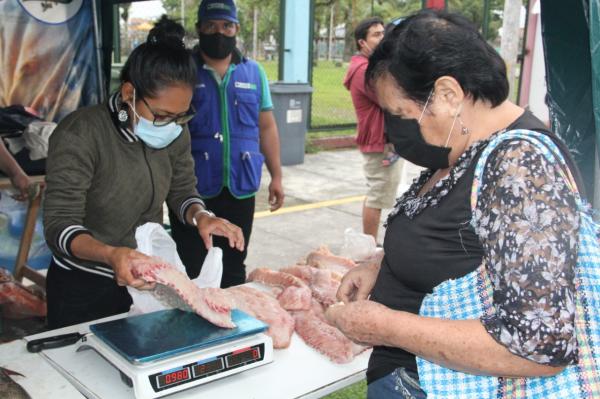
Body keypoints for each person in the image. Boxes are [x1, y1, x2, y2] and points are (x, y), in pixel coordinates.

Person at [325, 10, 589, 398]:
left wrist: (385, 327)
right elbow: (459, 244)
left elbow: (539, 345)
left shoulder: (520, 166)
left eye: (400, 113)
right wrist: (383, 265)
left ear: (447, 95)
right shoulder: (466, 149)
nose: (396, 129)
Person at [43, 17, 244, 329]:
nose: (172, 125)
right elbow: (60, 226)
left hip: (145, 279)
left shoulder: (175, 129)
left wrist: (200, 216)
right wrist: (111, 254)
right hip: (84, 286)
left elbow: (182, 191)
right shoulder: (81, 134)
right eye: (162, 115)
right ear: (128, 94)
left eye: (181, 116)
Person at [168, 0, 284, 288]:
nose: (219, 32)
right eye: (211, 26)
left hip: (240, 185)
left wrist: (277, 176)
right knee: (192, 262)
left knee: (234, 261)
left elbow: (266, 126)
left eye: (226, 26)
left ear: (236, 29)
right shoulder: (184, 70)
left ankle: (234, 323)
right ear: (199, 29)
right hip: (192, 186)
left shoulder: (253, 72)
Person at [343, 17, 402, 243]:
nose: (382, 38)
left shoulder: (372, 67)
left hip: (385, 141)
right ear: (362, 42)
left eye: (383, 33)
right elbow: (388, 99)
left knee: (381, 193)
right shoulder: (363, 70)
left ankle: (371, 242)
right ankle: (369, 245)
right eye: (376, 35)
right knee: (378, 195)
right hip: (379, 142)